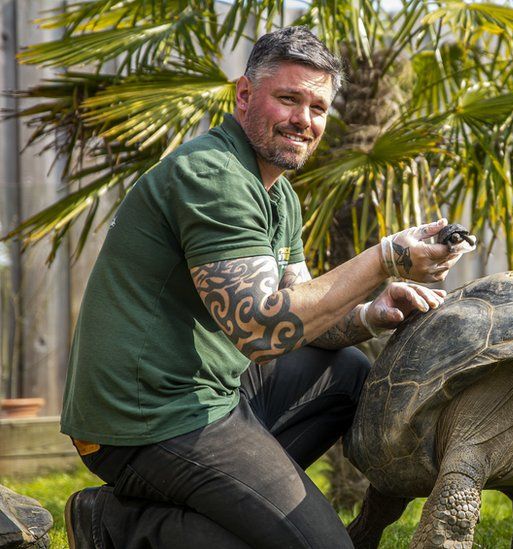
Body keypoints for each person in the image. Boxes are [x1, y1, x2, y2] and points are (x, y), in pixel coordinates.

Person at [60, 26, 473, 549]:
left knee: (347, 373)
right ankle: (114, 526)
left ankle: (235, 504)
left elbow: (301, 317)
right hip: (143, 419)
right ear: (244, 95)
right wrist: (386, 258)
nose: (305, 120)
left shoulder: (277, 193)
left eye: (318, 107)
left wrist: (372, 312)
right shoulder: (214, 176)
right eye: (289, 99)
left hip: (207, 389)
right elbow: (262, 331)